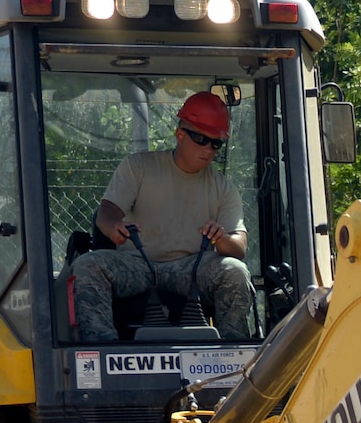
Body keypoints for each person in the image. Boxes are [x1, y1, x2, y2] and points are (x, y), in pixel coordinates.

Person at [71, 92, 256, 340]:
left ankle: (233, 356)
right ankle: (102, 351)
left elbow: (238, 247)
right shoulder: (139, 167)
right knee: (87, 265)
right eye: (201, 139)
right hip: (137, 265)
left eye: (216, 143)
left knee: (235, 271)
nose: (208, 149)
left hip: (191, 268)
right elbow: (107, 211)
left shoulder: (223, 188)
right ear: (180, 134)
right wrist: (112, 225)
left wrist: (221, 239)